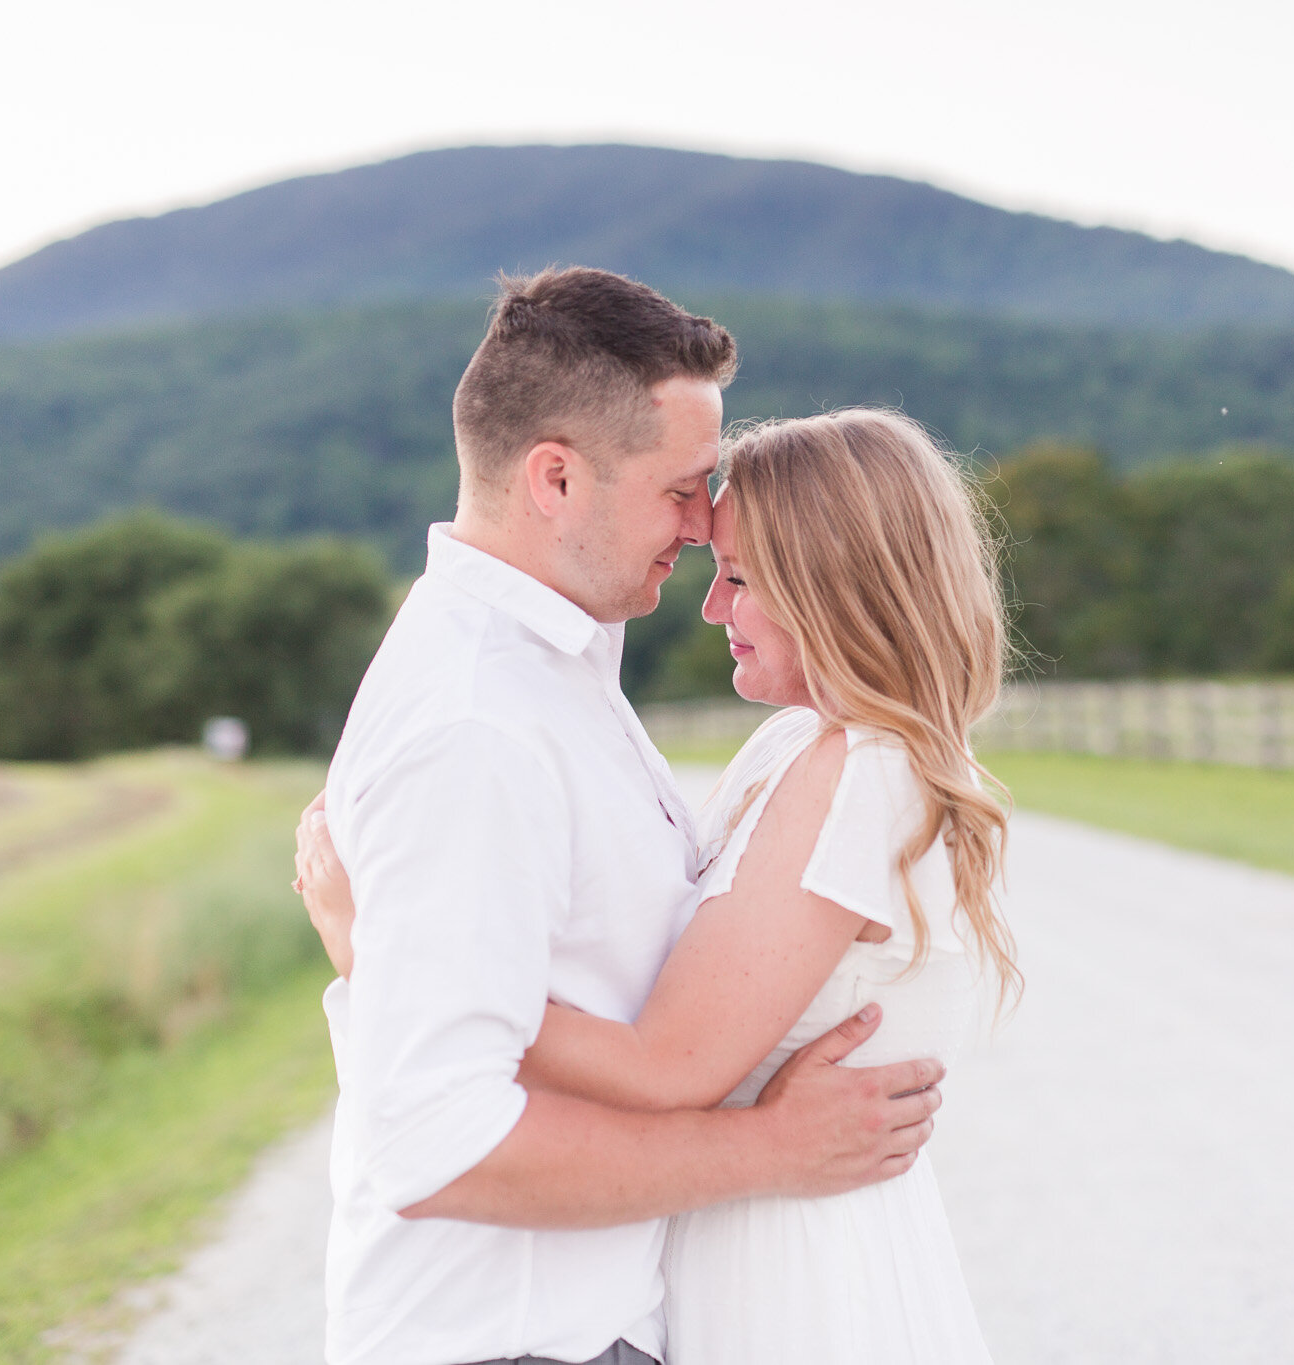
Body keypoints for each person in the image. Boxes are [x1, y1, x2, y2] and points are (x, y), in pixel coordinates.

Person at [303, 269, 945, 1365]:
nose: (702, 525)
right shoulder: (478, 726)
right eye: (682, 486)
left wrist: (371, 949)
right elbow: (436, 1145)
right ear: (554, 478)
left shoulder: (560, 678)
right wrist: (763, 1153)